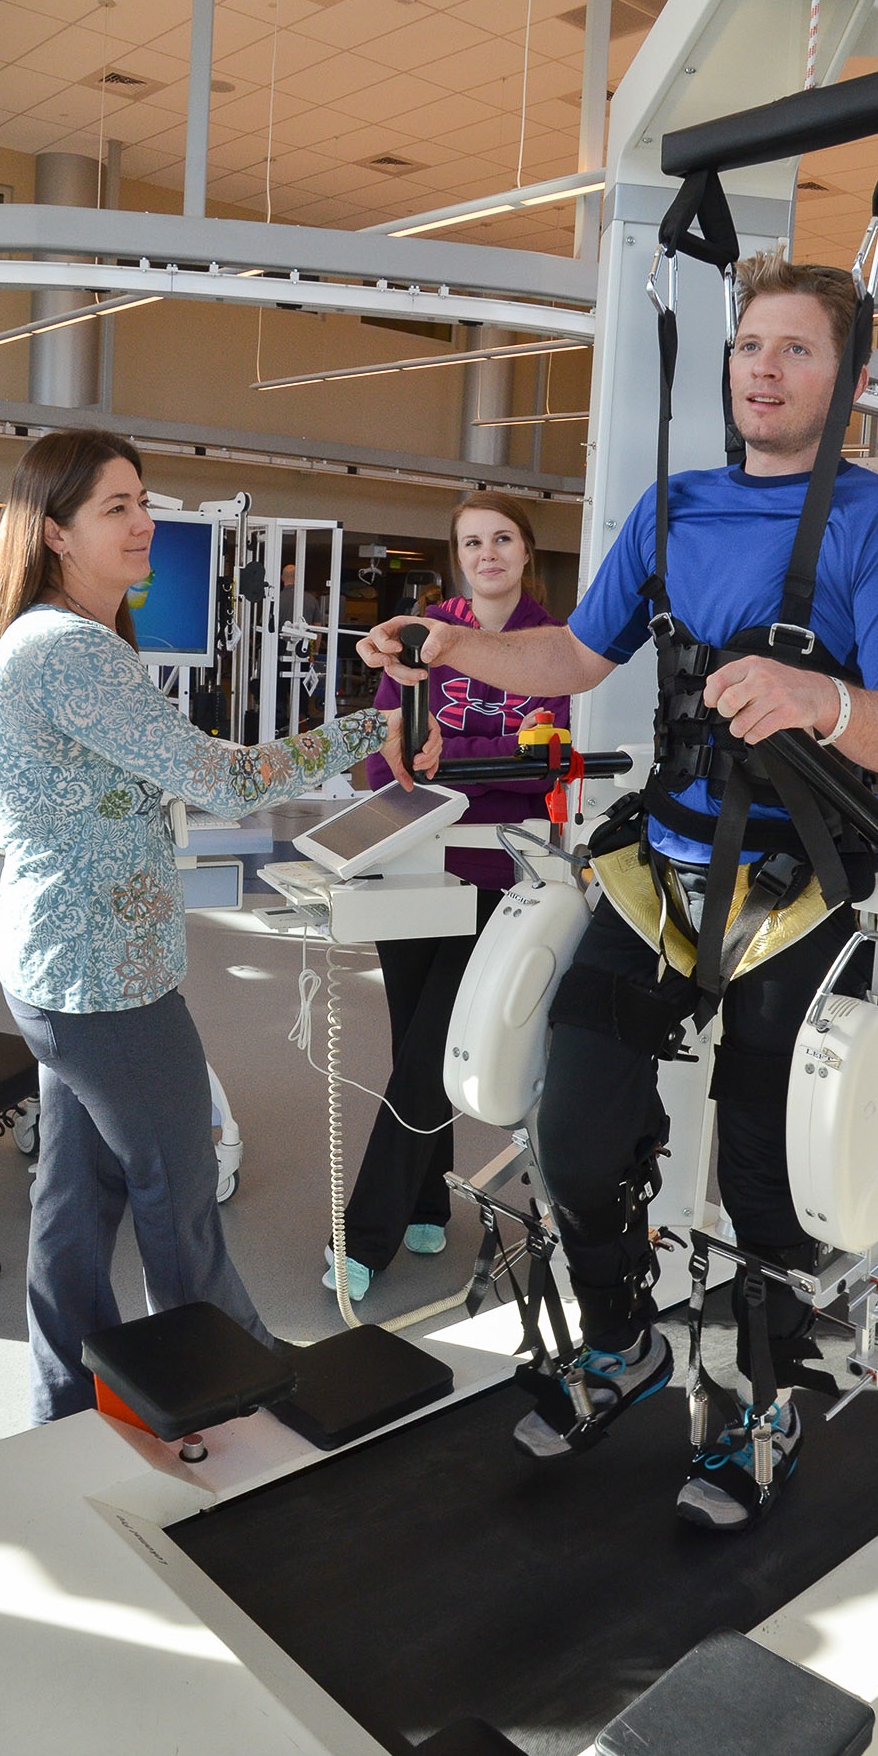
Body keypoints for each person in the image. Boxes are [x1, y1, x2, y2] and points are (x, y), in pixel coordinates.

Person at [357, 253, 878, 1530]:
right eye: (752, 344)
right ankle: (626, 1339)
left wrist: (828, 701)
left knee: (763, 1173)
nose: (764, 366)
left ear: (846, 380)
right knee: (571, 1133)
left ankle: (763, 1397)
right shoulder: (672, 509)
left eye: (797, 349)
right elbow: (578, 653)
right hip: (659, 870)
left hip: (799, 886)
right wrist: (457, 642)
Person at [0, 429, 440, 1423]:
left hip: (64, 972)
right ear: (55, 532)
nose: (145, 522)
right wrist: (372, 729)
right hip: (105, 985)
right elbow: (223, 778)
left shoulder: (62, 642)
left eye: (145, 500)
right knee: (179, 1207)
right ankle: (245, 1398)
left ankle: (63, 1411)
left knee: (75, 1206)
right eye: (117, 507)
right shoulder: (69, 652)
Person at [325, 491, 569, 1300]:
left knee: (432, 1049)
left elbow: (544, 757)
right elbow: (385, 755)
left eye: (502, 538)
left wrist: (453, 751)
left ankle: (365, 1237)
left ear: (526, 551)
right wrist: (440, 753)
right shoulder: (420, 636)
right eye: (471, 541)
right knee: (412, 1048)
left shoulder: (553, 646)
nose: (487, 552)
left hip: (498, 875)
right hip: (413, 864)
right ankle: (428, 1194)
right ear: (457, 555)